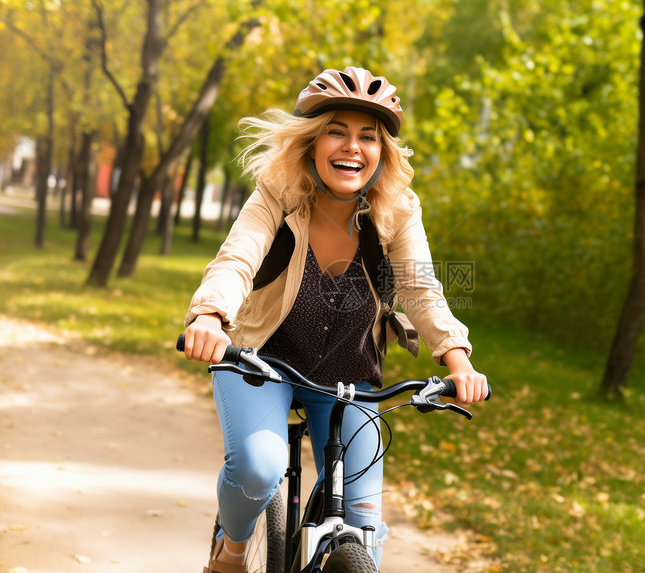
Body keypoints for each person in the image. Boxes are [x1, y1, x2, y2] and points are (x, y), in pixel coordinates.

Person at [182, 66, 488, 573]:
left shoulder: (397, 210)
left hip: (348, 375)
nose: (353, 147)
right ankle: (232, 550)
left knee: (363, 523)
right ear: (311, 141)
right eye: (337, 131)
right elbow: (238, 258)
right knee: (258, 470)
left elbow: (420, 287)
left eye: (367, 136)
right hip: (259, 363)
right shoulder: (276, 195)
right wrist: (210, 316)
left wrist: (458, 359)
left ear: (382, 151)